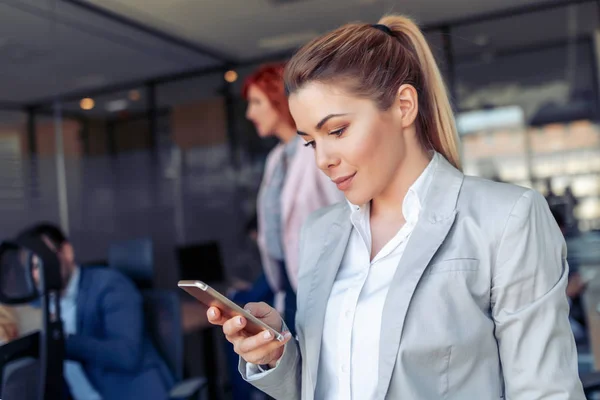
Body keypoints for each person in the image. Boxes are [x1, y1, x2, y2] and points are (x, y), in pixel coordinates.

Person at [208, 15, 585, 399]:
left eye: (336, 131)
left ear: (404, 106)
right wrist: (276, 354)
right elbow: (326, 383)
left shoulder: (506, 219)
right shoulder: (320, 230)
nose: (322, 159)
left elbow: (546, 391)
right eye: (310, 142)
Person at [19, 223, 174, 400]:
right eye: (29, 268)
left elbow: (127, 356)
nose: (35, 275)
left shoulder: (109, 285)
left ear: (67, 253)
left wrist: (61, 341)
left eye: (39, 263)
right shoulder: (37, 306)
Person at [243, 63, 341, 335]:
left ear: (279, 99)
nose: (249, 113)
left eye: (256, 102)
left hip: (324, 279)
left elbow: (345, 210)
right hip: (287, 278)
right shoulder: (276, 158)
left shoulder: (316, 150)